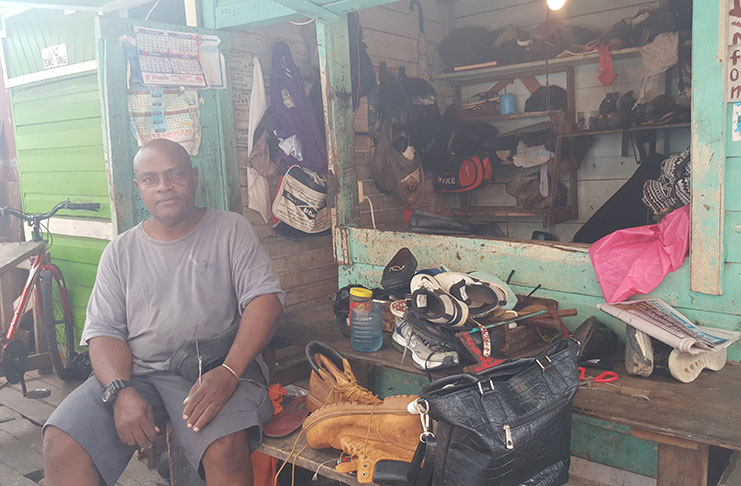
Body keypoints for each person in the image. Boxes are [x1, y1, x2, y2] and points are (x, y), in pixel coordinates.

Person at [42, 139, 284, 486]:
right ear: (138, 186)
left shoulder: (230, 230)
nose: (164, 186)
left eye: (175, 174)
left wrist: (230, 371)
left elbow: (265, 301)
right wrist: (119, 391)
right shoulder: (120, 251)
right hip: (137, 374)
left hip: (214, 368)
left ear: (194, 177)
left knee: (226, 446)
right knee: (61, 441)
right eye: (150, 178)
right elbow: (104, 332)